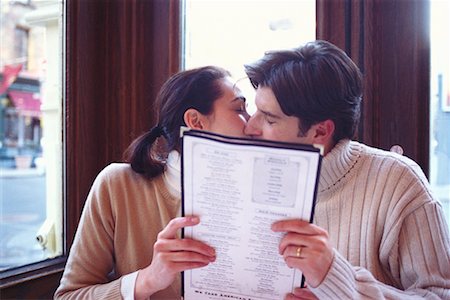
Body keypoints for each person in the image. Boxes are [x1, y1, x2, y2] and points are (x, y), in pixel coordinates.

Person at [243, 40, 450, 299]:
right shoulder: (244, 178)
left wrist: (335, 279)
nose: (250, 127)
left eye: (269, 118)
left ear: (320, 131)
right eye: (255, 110)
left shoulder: (398, 183)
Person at [54, 66, 250, 299]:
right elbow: (68, 296)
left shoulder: (257, 200)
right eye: (239, 109)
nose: (253, 123)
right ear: (196, 121)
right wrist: (147, 280)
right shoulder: (117, 186)